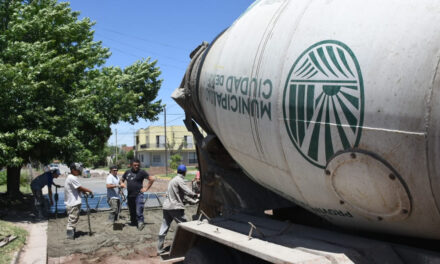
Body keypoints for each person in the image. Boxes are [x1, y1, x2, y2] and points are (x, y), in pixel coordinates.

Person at [157, 164, 198, 254]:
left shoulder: (172, 181)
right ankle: (190, 246)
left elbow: (182, 196)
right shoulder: (179, 180)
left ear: (177, 171)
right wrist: (195, 195)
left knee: (164, 226)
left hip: (166, 207)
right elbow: (187, 190)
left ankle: (159, 249)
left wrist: (194, 201)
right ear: (185, 172)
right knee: (187, 225)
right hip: (175, 207)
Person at [121, 159, 155, 231]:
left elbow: (151, 179)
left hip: (138, 194)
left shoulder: (142, 172)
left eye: (138, 165)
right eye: (135, 165)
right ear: (131, 165)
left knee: (139, 209)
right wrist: (122, 183)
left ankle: (140, 222)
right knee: (132, 210)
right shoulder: (127, 172)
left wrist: (146, 188)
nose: (136, 166)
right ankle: (133, 221)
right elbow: (122, 179)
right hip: (130, 195)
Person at [64, 162, 93, 239]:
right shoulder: (72, 178)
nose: (79, 171)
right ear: (73, 170)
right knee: (72, 220)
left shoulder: (70, 177)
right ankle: (70, 236)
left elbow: (77, 189)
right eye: (78, 170)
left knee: (74, 218)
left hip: (72, 202)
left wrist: (84, 192)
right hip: (73, 203)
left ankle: (72, 233)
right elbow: (79, 188)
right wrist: (89, 191)